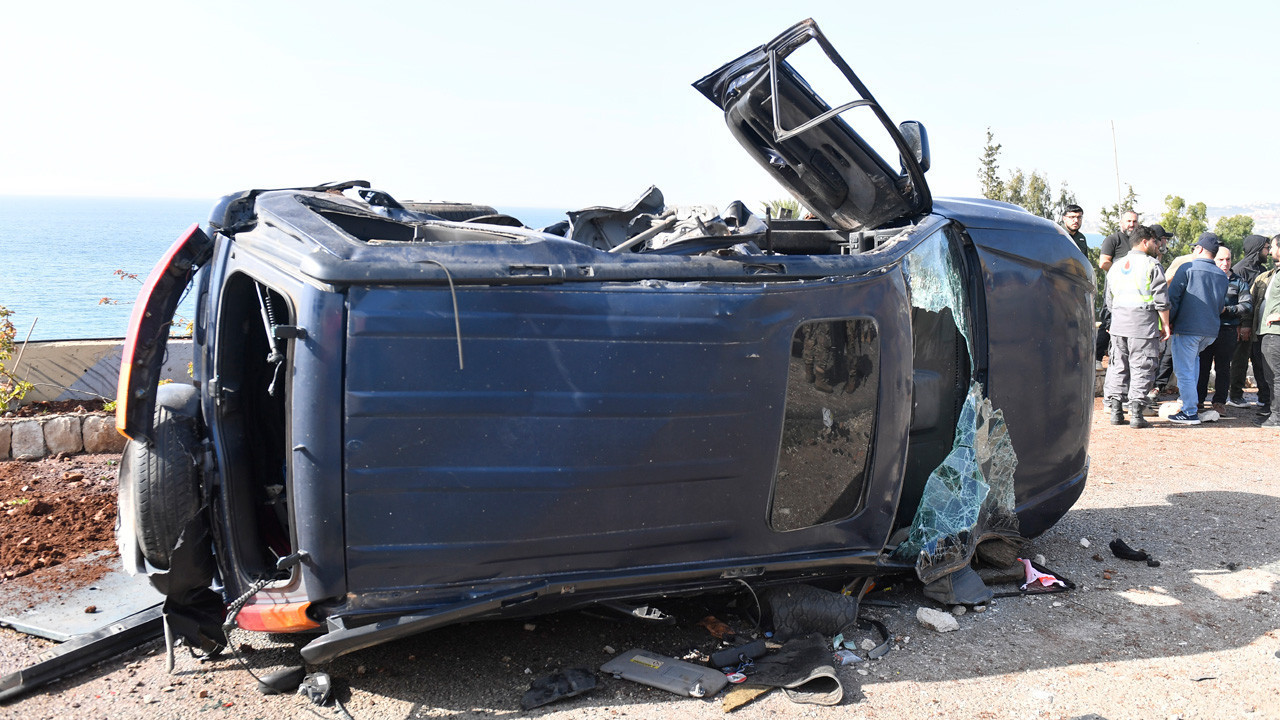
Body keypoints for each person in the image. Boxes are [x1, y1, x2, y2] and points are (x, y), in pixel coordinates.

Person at [1102, 225, 1170, 428]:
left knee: (1117, 366)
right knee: (1142, 366)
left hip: (1119, 324)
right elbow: (1162, 300)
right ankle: (1137, 415)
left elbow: (1109, 299)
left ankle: (1115, 412)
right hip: (1142, 325)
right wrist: (1165, 325)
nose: (1157, 245)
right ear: (1145, 241)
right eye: (1155, 241)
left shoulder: (1116, 265)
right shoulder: (1152, 265)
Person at [1166, 232, 1230, 425]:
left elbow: (1173, 298)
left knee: (1184, 370)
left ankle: (1189, 411)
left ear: (1200, 249)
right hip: (1210, 331)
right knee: (1192, 366)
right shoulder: (1222, 275)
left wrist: (1168, 322)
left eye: (1195, 248)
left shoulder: (1188, 268)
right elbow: (1220, 306)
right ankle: (1190, 405)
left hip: (1187, 328)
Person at [1196, 246, 1251, 414]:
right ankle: (1197, 401)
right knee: (1202, 367)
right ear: (1213, 259)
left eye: (1228, 259)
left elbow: (1247, 305)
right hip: (1205, 329)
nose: (1225, 263)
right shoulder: (1205, 277)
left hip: (1227, 330)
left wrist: (1227, 310)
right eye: (1221, 259)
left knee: (1223, 368)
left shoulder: (1238, 281)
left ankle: (1219, 402)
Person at [1228, 234, 1273, 408]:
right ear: (1256, 248)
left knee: (1260, 361)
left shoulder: (1262, 270)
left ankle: (1264, 395)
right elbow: (1240, 299)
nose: (1268, 252)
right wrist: (1244, 325)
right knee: (1240, 360)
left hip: (1258, 324)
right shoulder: (1241, 270)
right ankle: (1236, 395)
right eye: (1265, 248)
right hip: (1242, 324)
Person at [1255, 237, 1280, 427]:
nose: (1270, 251)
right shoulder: (1275, 273)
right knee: (1271, 376)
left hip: (1275, 333)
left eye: (1272, 247)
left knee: (1276, 376)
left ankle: (1277, 417)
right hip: (1268, 332)